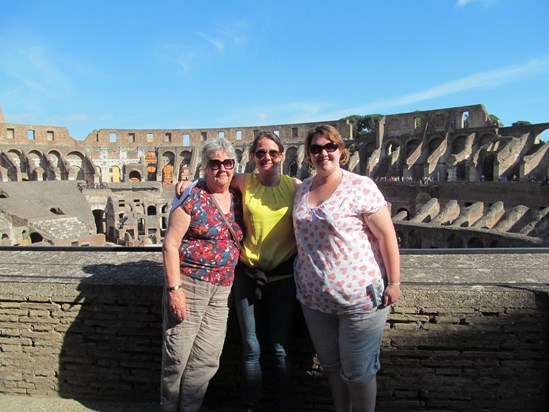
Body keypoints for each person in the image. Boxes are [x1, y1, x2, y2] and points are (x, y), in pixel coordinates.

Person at [176, 131, 300, 411]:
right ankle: (250, 407)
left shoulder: (297, 186)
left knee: (280, 350)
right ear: (253, 157)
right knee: (251, 349)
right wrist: (189, 183)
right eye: (260, 153)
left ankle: (281, 406)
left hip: (283, 279)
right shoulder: (245, 181)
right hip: (247, 276)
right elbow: (215, 177)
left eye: (272, 152)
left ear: (281, 155)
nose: (266, 157)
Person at [292, 125, 401, 412]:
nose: (323, 153)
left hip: (359, 301)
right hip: (314, 300)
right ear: (308, 154)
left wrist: (394, 282)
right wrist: (194, 184)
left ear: (341, 150)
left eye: (330, 147)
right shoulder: (302, 188)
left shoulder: (360, 186)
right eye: (316, 149)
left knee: (359, 372)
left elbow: (386, 235)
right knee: (332, 367)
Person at [161, 137, 244, 412]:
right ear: (205, 168)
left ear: (234, 166)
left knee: (206, 359)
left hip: (222, 290)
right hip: (189, 284)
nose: (221, 168)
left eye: (227, 163)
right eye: (214, 163)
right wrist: (175, 290)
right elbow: (170, 244)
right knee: (177, 356)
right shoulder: (191, 195)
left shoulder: (239, 197)